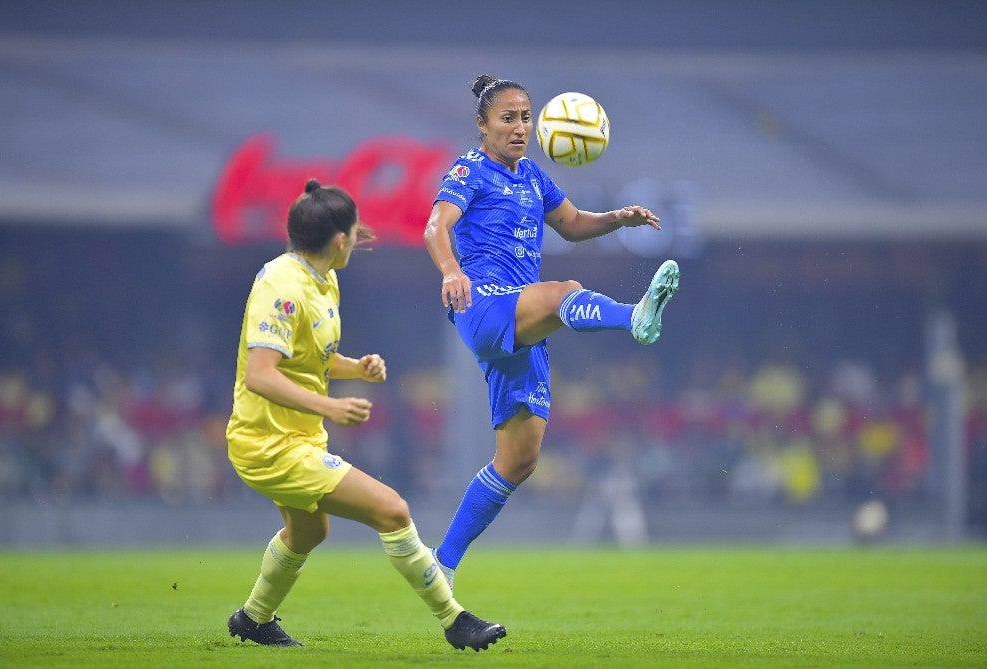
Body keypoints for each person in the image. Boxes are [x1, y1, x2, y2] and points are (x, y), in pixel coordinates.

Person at [225, 178, 506, 652]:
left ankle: (252, 619)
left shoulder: (324, 276)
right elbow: (261, 375)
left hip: (298, 437)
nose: (358, 240)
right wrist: (331, 405)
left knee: (310, 530)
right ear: (337, 241)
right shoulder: (281, 287)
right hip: (267, 445)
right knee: (392, 509)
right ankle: (455, 620)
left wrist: (354, 367)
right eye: (353, 234)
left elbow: (304, 356)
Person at [424, 75, 680, 588]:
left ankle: (440, 564)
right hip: (484, 305)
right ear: (482, 125)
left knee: (519, 460)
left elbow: (573, 224)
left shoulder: (534, 177)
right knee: (564, 291)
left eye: (525, 118)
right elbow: (436, 225)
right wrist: (451, 271)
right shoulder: (469, 169)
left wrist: (618, 219)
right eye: (507, 119)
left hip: (520, 323)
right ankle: (634, 317)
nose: (519, 128)